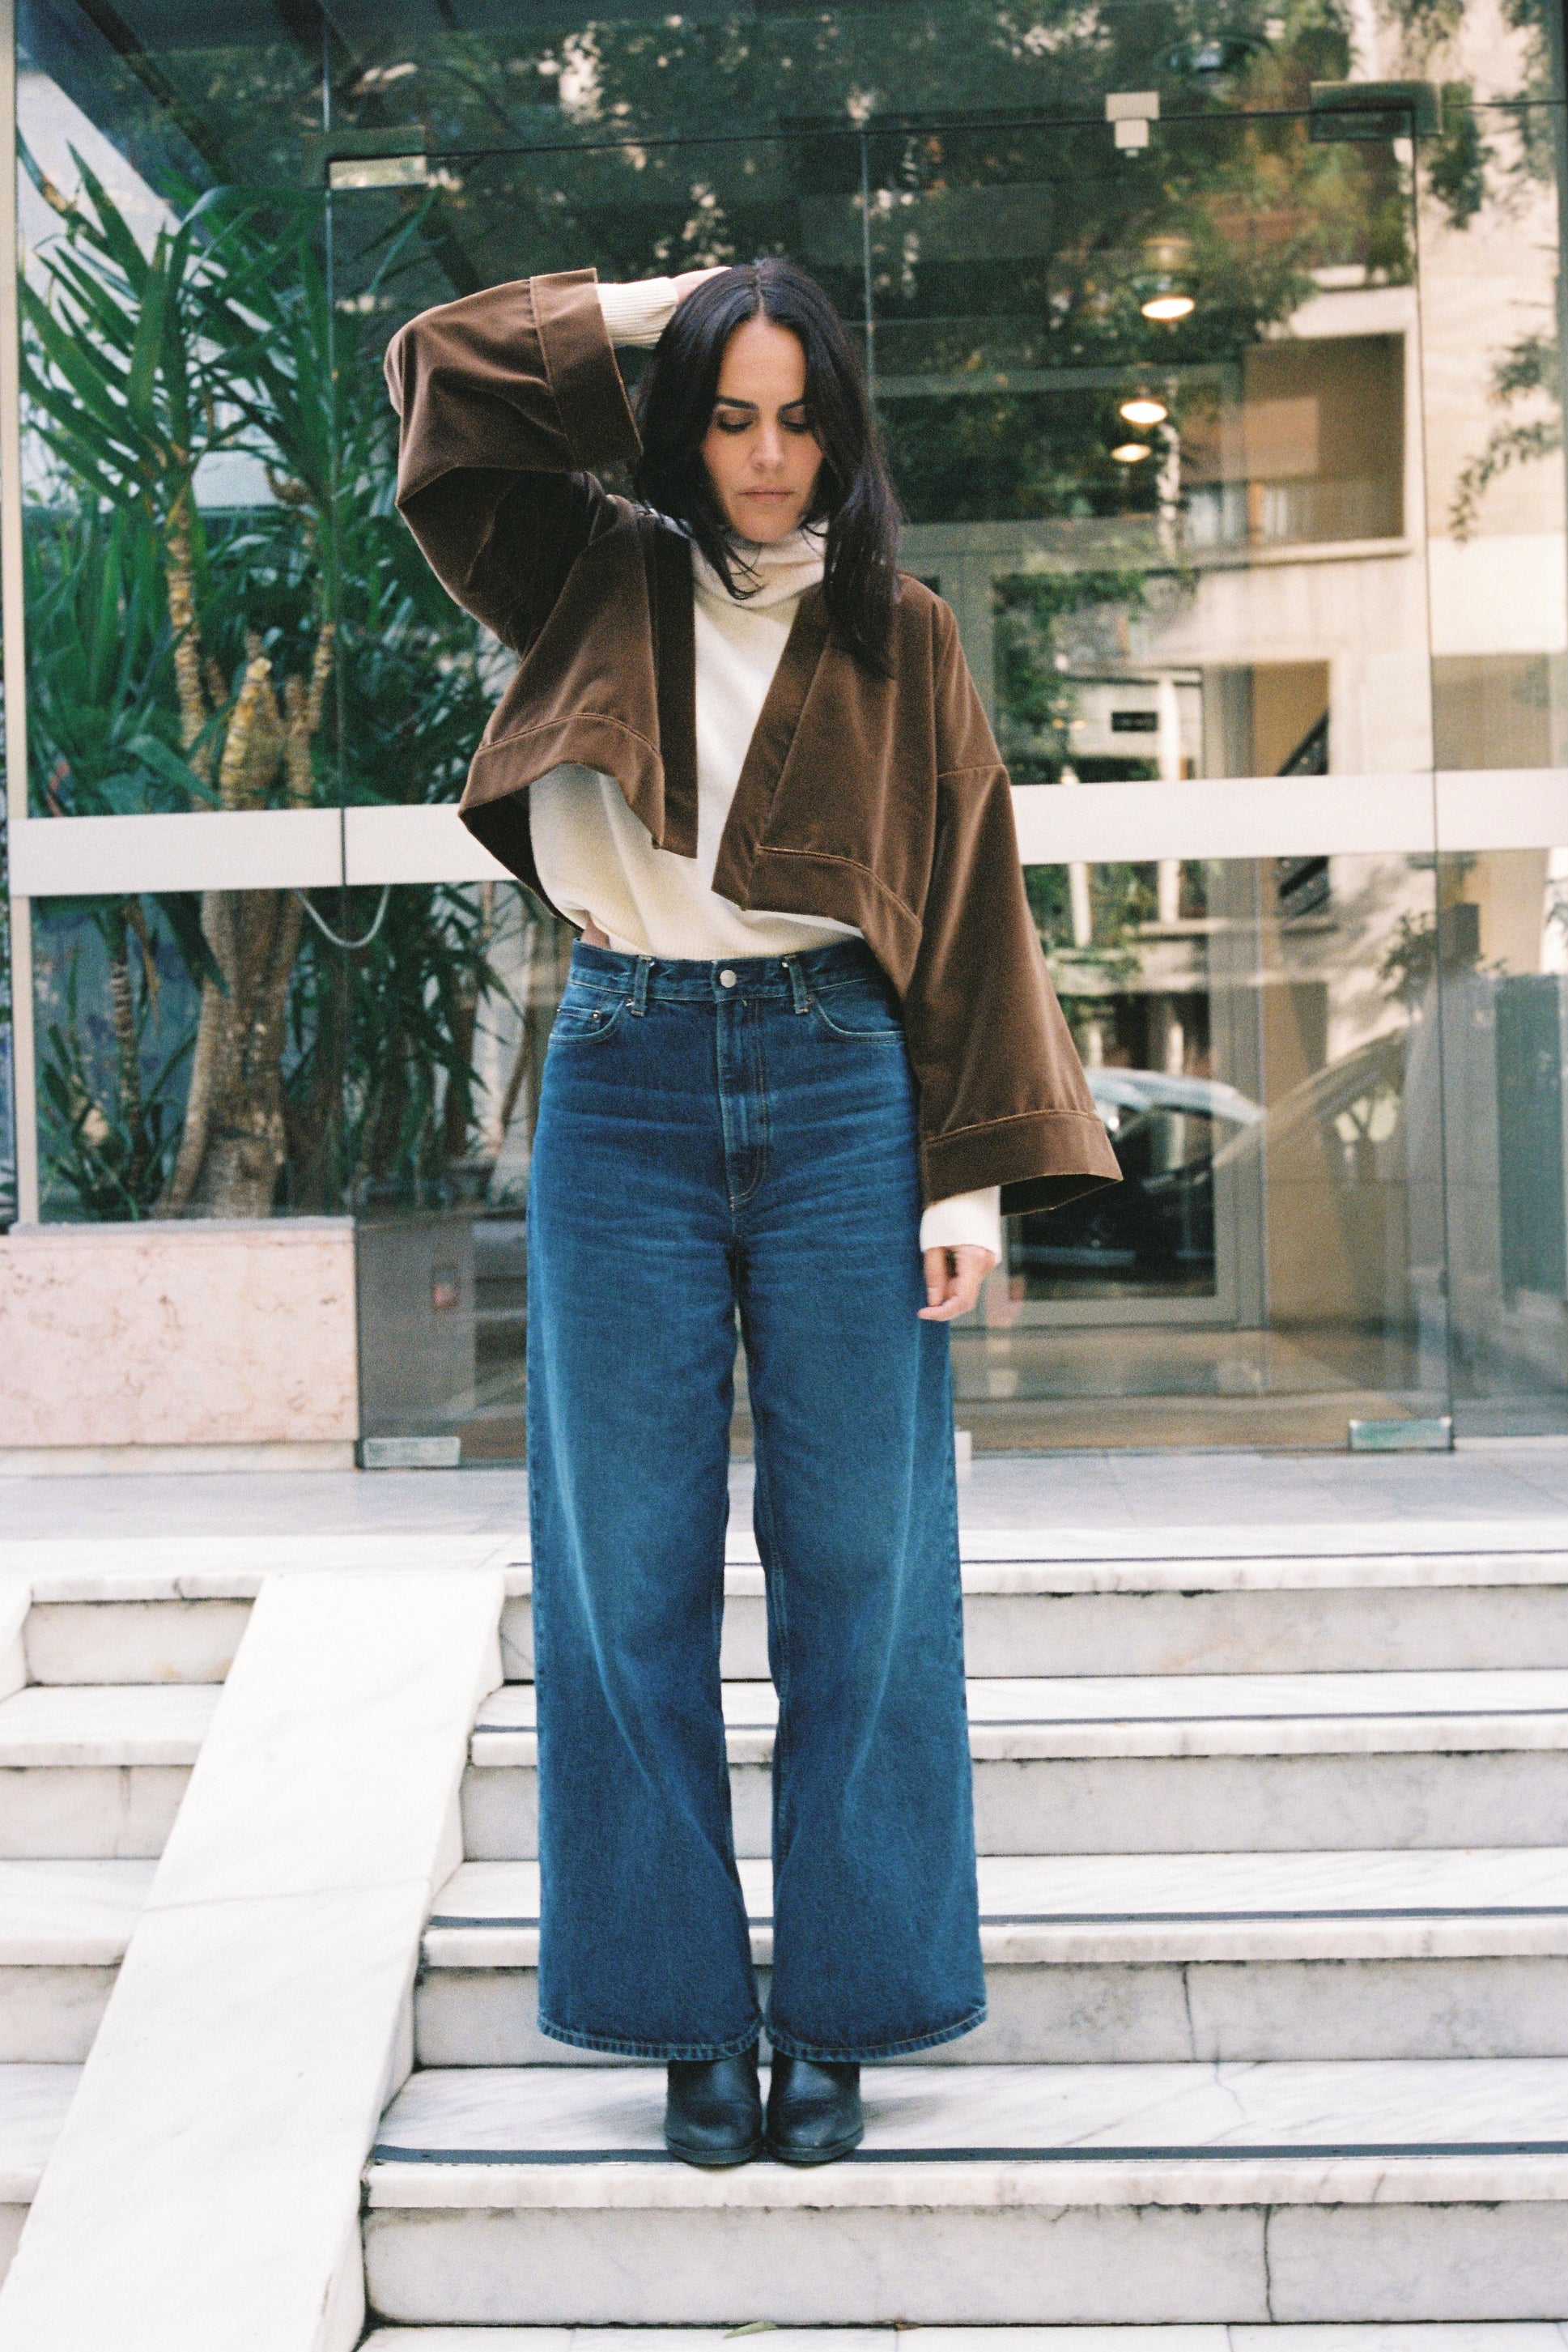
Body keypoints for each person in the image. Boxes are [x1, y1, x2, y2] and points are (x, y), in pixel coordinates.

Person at [385, 259, 1118, 2169]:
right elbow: (441, 381)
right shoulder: (586, 570)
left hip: (845, 1091)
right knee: (619, 1576)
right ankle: (681, 2017)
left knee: (863, 1568)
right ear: (676, 416)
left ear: (844, 431)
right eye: (729, 409)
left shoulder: (907, 636)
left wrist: (967, 1173)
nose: (769, 453)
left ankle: (854, 2011)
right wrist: (668, 298)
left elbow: (968, 911)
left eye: (800, 415)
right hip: (621, 1080)